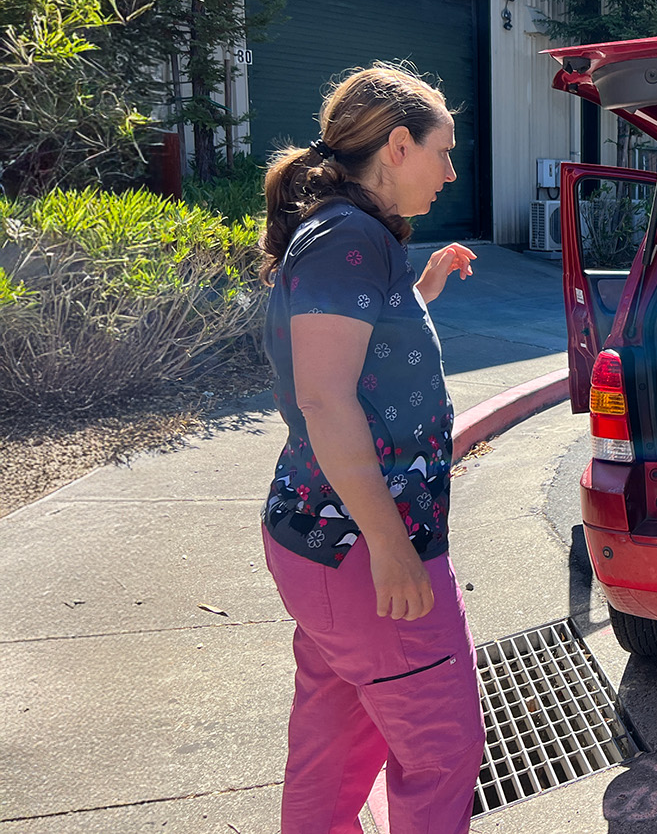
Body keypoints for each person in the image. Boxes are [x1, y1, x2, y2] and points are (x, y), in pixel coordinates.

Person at [257, 62, 484, 834]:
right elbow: (323, 395)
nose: (451, 173)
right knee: (443, 750)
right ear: (396, 146)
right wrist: (391, 546)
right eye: (442, 152)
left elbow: (353, 354)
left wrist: (417, 293)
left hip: (324, 542)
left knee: (335, 742)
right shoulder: (347, 240)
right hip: (360, 545)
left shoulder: (351, 239)